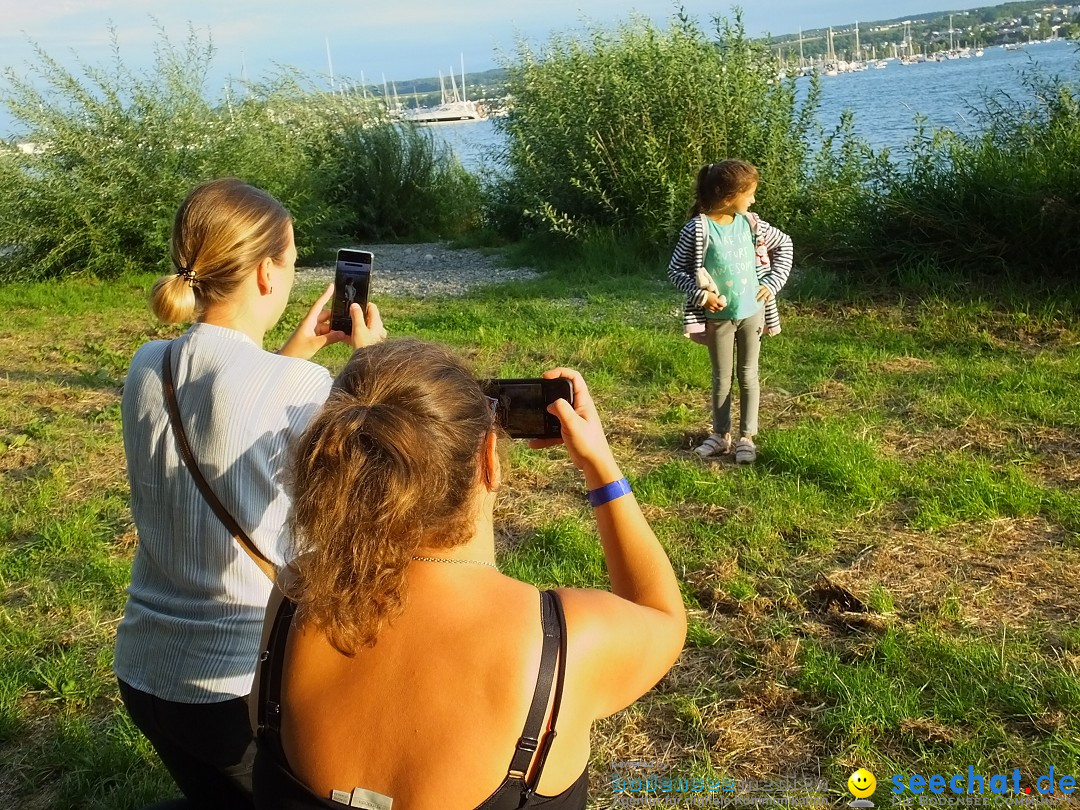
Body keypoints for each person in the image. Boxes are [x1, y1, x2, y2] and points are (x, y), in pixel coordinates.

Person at [251, 339, 687, 810]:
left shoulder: (297, 595)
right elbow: (661, 615)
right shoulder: (566, 643)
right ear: (489, 459)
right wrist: (602, 468)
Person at [116, 177, 386, 810]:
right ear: (267, 274)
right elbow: (373, 483)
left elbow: (226, 405)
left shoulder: (145, 365)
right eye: (292, 261)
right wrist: (369, 368)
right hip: (232, 685)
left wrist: (302, 347)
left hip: (145, 671)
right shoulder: (299, 387)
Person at [667, 159, 793, 464]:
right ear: (728, 197)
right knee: (722, 377)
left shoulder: (753, 224)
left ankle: (746, 438)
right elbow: (675, 270)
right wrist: (701, 295)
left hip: (753, 313)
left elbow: (786, 245)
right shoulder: (698, 229)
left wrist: (773, 283)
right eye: (749, 194)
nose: (753, 200)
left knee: (749, 375)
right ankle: (720, 436)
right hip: (719, 319)